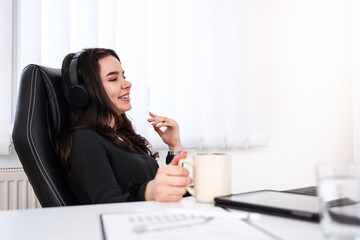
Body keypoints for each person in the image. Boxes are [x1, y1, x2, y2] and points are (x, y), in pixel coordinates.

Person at [55, 48, 191, 204]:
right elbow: (106, 203)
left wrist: (174, 146)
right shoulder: (84, 140)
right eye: (113, 79)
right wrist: (149, 192)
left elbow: (167, 191)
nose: (127, 84)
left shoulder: (122, 135)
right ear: (83, 92)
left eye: (123, 76)